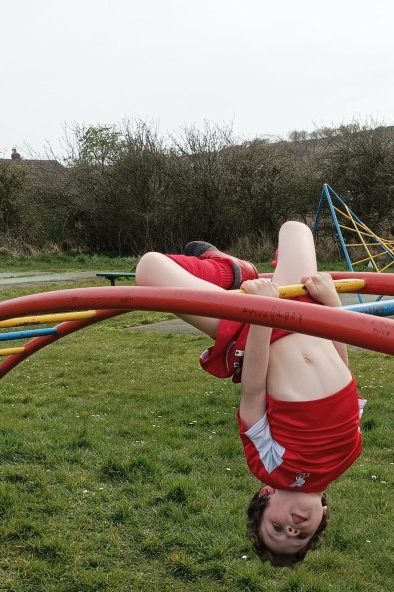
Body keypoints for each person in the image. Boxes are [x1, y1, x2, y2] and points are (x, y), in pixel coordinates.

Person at [135, 221, 365, 566]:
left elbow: (254, 389)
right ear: (323, 515)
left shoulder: (271, 468)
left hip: (255, 328)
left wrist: (262, 313)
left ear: (265, 495)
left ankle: (227, 271)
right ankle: (237, 270)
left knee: (149, 269)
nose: (292, 528)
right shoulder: (349, 456)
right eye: (299, 536)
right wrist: (332, 305)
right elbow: (343, 371)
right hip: (309, 312)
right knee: (296, 229)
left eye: (276, 527)